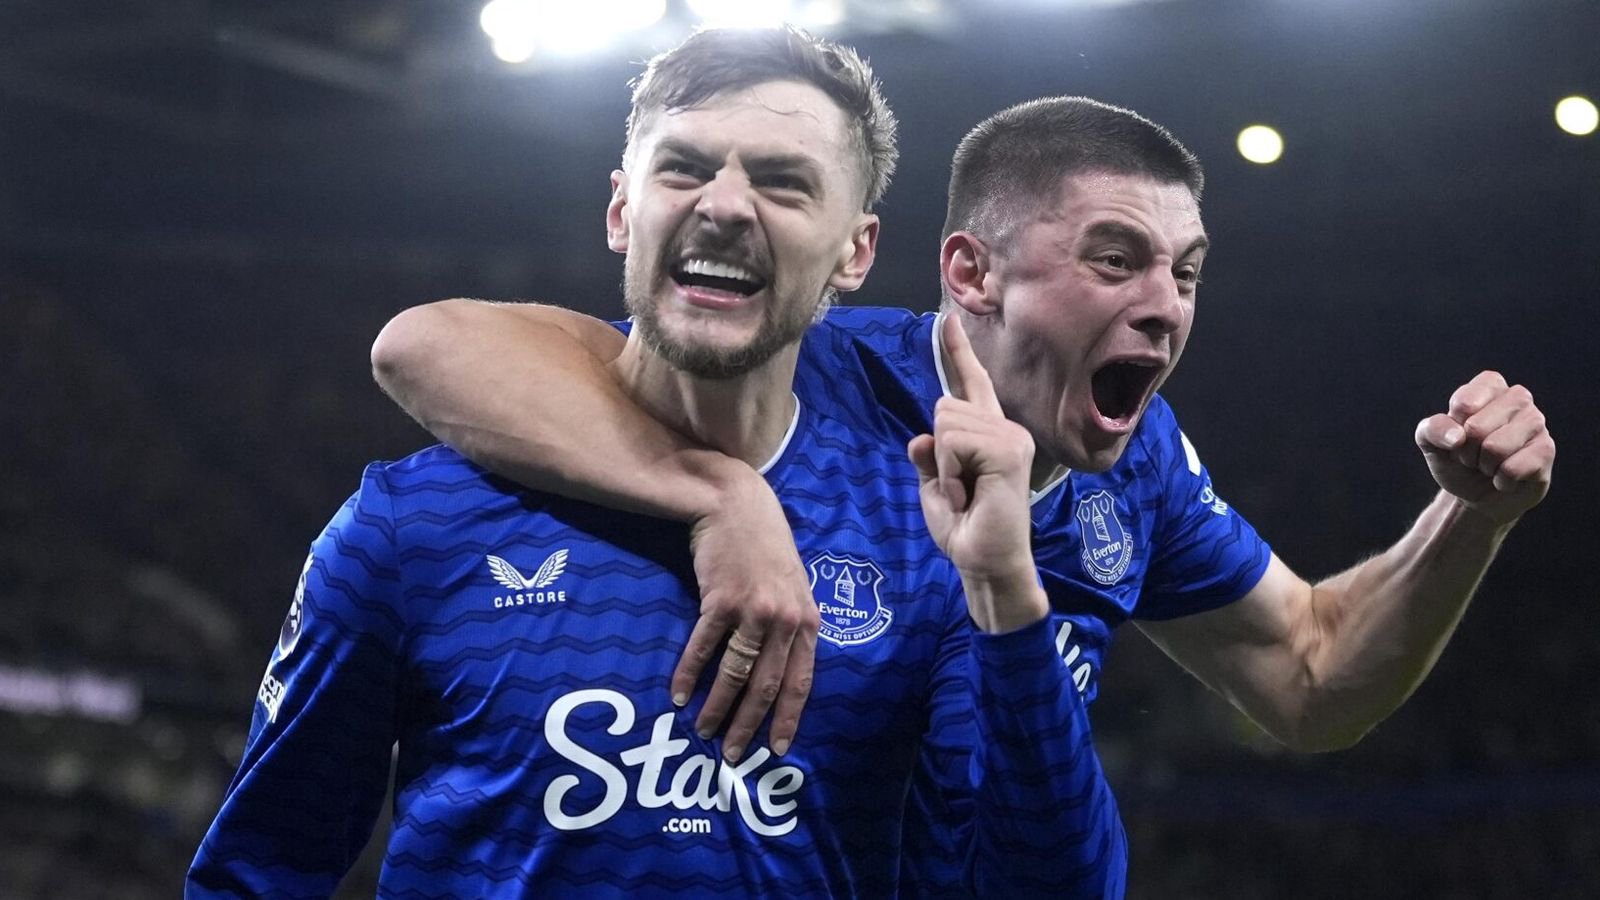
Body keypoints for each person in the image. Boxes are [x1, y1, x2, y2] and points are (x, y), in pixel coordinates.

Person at [190, 28, 1126, 898]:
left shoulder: (929, 534)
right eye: (682, 167)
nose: (722, 204)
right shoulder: (416, 524)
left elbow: (1052, 883)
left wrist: (1006, 586)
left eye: (784, 182)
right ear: (621, 209)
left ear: (856, 253)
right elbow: (258, 873)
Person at [371, 96, 1556, 756]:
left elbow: (1308, 676)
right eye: (1114, 260)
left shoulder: (1136, 463)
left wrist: (1471, 518)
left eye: (1185, 273)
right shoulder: (818, 367)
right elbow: (431, 345)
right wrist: (717, 491)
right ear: (971, 274)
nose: (1164, 306)